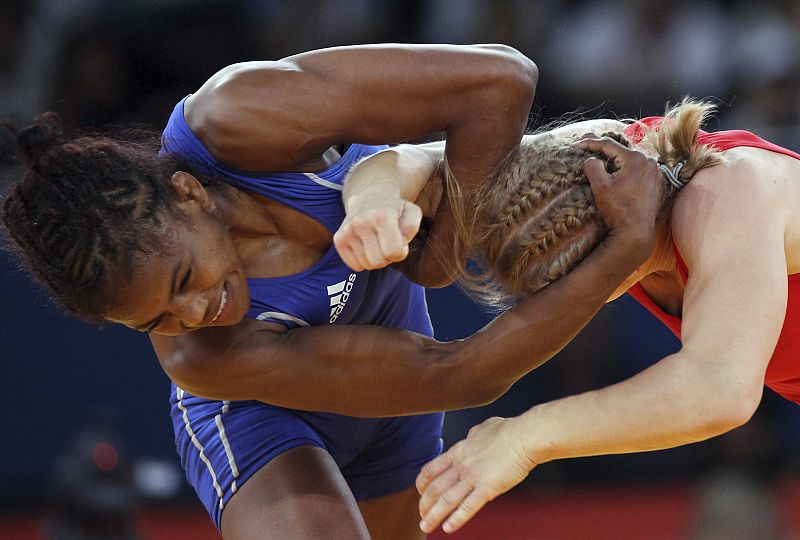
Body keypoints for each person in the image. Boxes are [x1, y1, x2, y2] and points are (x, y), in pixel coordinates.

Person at [2, 44, 663, 539]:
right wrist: (625, 249)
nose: (197, 313)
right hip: (260, 424)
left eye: (182, 281)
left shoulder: (241, 118)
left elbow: (500, 80)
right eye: (155, 322)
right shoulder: (200, 358)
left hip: (392, 405)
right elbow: (464, 375)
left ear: (188, 191)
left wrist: (445, 246)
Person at [392, 99, 800, 534]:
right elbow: (423, 161)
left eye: (569, 287)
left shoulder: (733, 196)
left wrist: (527, 437)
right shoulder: (598, 159)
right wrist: (373, 205)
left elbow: (720, 389)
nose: (571, 302)